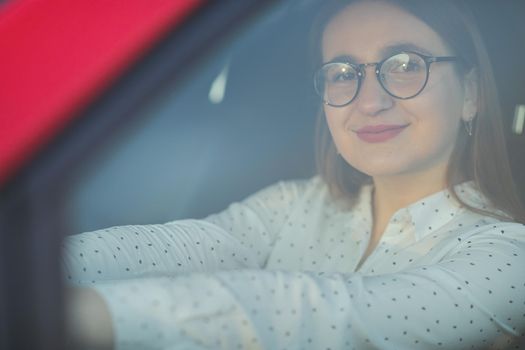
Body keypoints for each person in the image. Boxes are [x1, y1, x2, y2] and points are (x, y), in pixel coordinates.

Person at [64, 0, 525, 349]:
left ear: (472, 93)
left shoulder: (507, 258)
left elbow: (329, 317)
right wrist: (37, 269)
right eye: (343, 73)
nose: (369, 101)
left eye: (404, 65)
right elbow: (183, 245)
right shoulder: (296, 203)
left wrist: (66, 313)